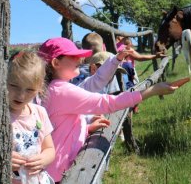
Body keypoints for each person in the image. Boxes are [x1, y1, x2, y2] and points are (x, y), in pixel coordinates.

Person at [38, 37, 180, 182]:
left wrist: (85, 128)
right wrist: (152, 91)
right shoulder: (62, 91)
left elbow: (95, 81)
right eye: (73, 56)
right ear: (56, 63)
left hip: (57, 169)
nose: (79, 58)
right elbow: (107, 102)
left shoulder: (55, 89)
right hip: (60, 173)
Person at [8, 51, 55, 184]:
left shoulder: (40, 112)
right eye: (14, 86)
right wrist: (4, 158)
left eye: (29, 90)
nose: (21, 95)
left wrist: (43, 159)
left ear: (40, 88)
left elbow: (49, 149)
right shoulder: (0, 116)